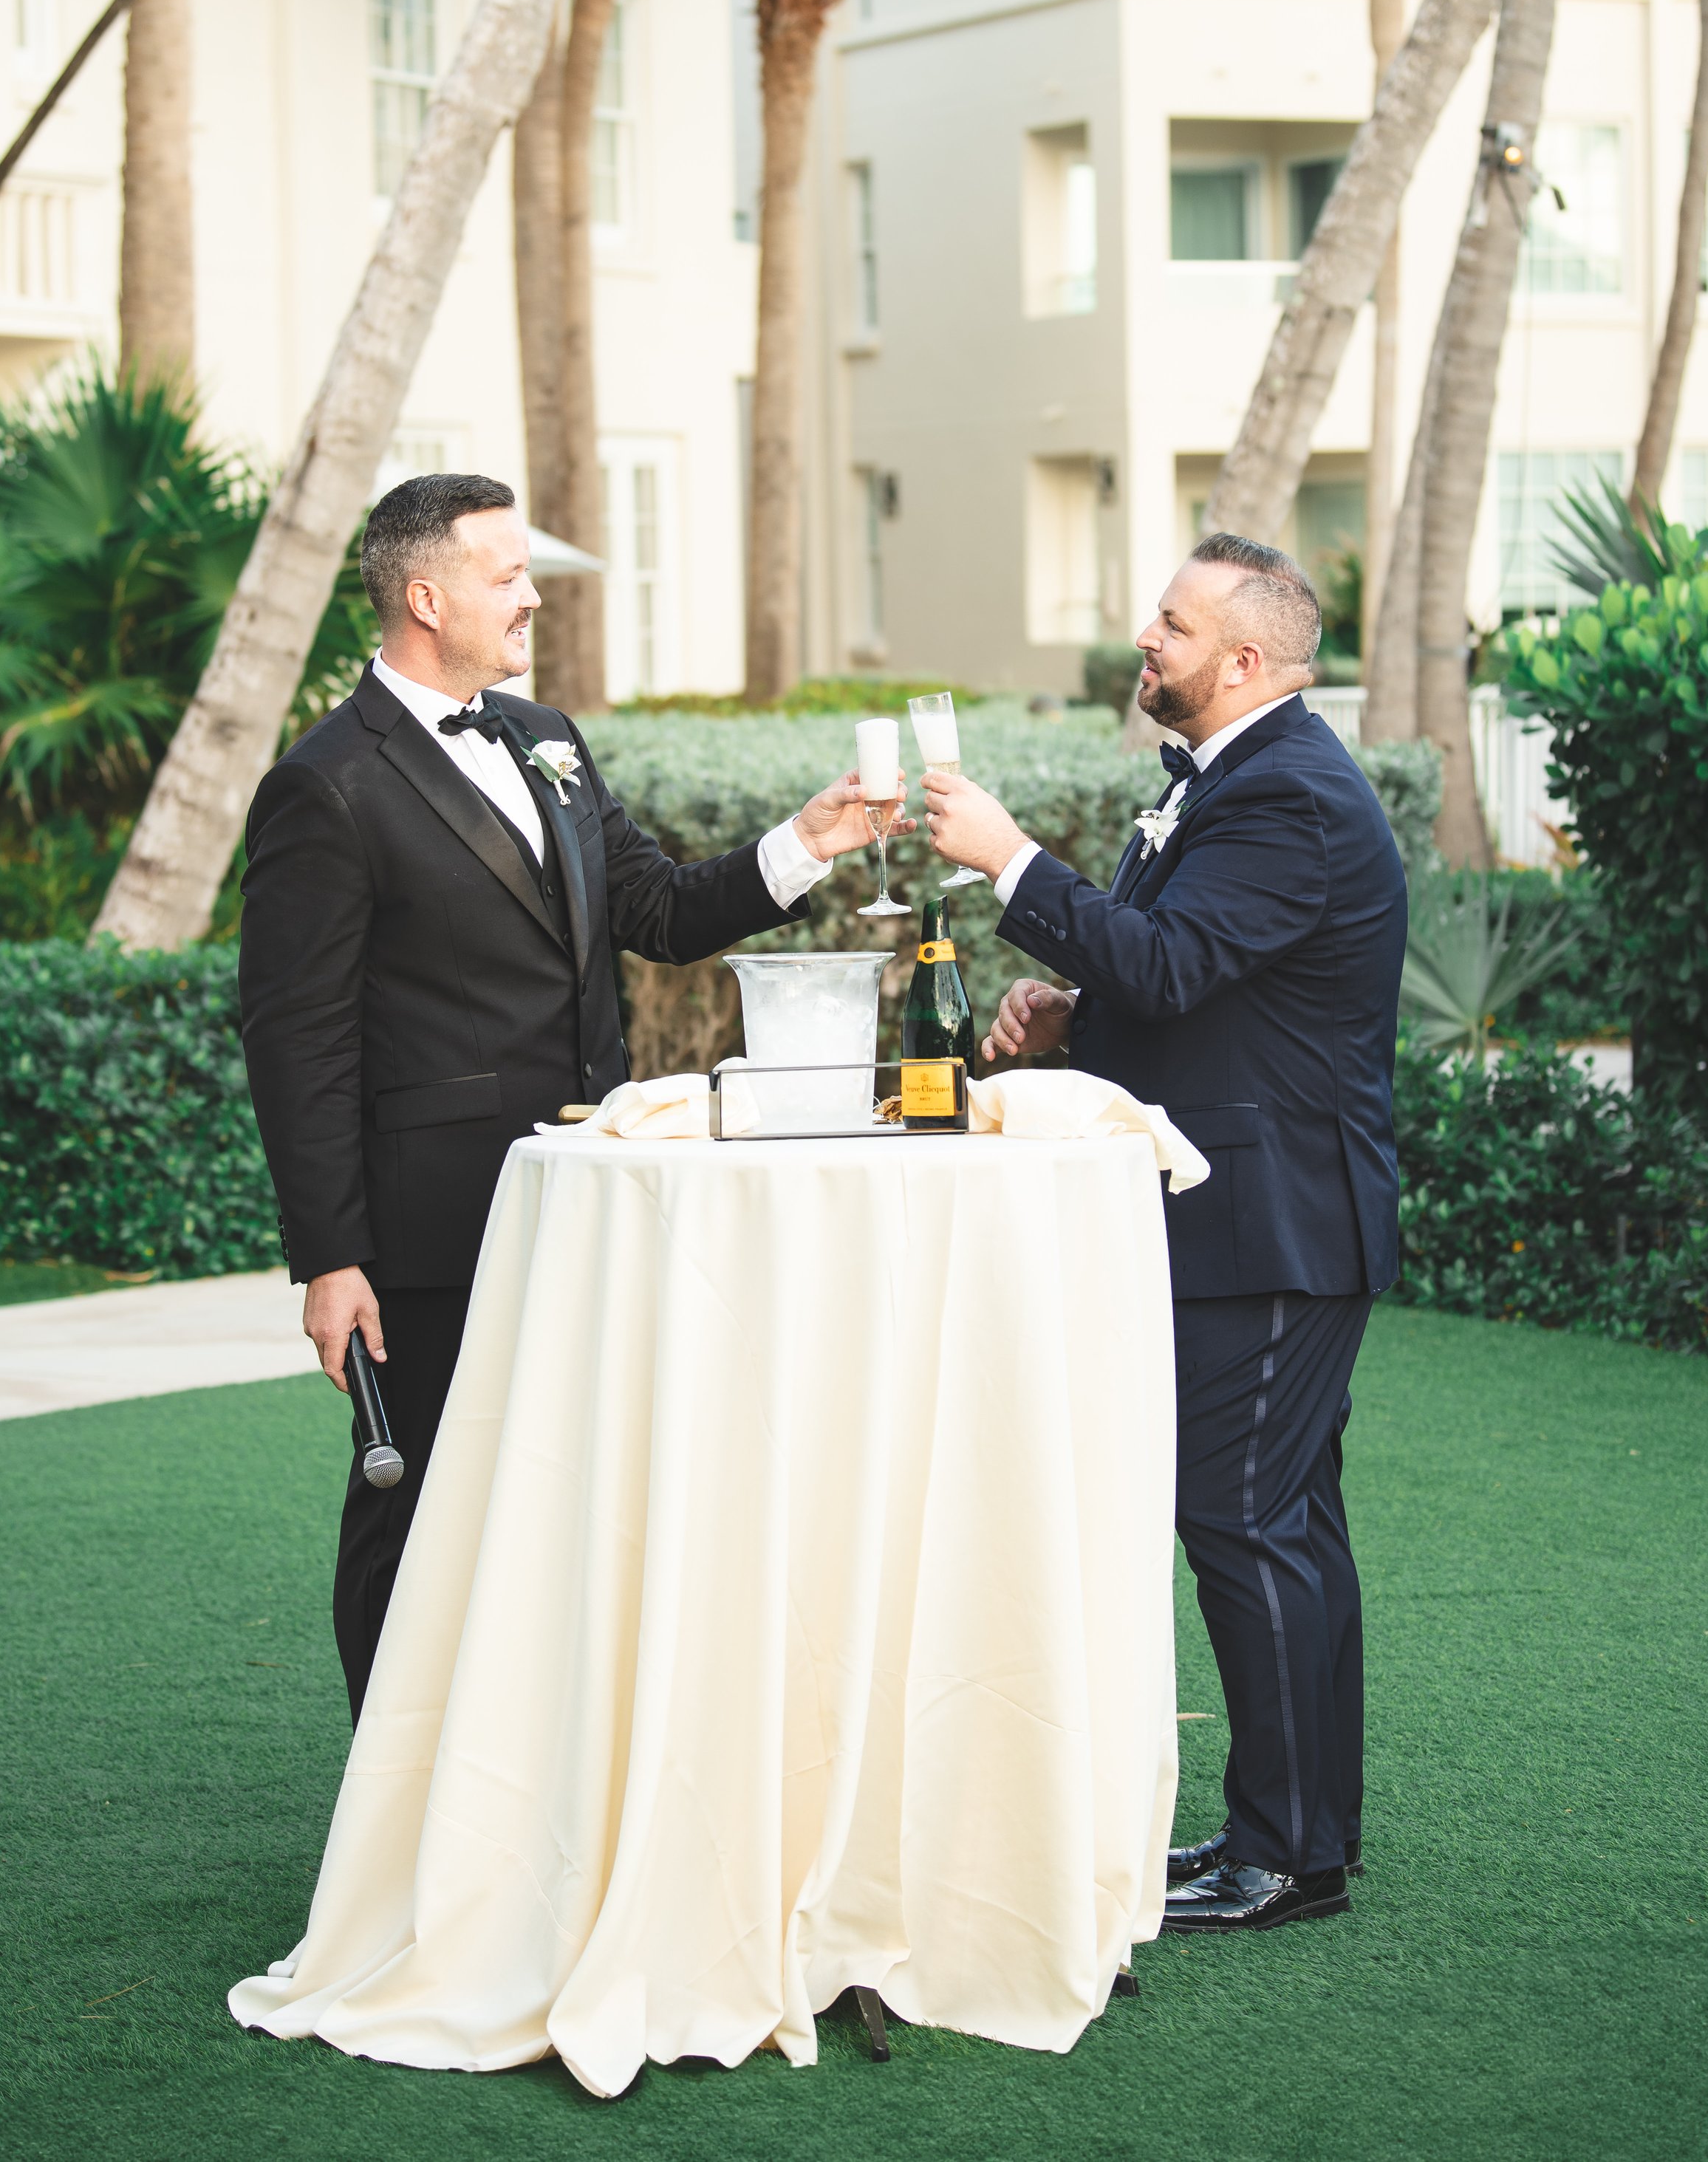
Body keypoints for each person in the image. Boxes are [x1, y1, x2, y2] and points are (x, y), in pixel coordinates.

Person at [239, 472, 903, 1720]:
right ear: (426, 598)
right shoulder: (326, 784)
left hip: (591, 1193)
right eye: (506, 574)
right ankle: (392, 1790)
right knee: (415, 1505)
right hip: (435, 1224)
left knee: (569, 1497)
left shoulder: (546, 735)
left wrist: (805, 843)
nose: (532, 596)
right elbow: (296, 1041)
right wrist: (330, 1256)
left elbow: (658, 908)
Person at [922, 532, 1407, 1933]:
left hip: (1273, 1220)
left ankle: (1285, 1854)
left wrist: (1011, 860)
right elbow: (1200, 976)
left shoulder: (1288, 793)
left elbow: (1181, 961)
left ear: (1245, 660)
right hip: (1256, 1212)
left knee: (1243, 1518)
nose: (1148, 636)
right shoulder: (1234, 778)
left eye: (1175, 625)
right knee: (1286, 1519)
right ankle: (1304, 1830)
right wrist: (1081, 1013)